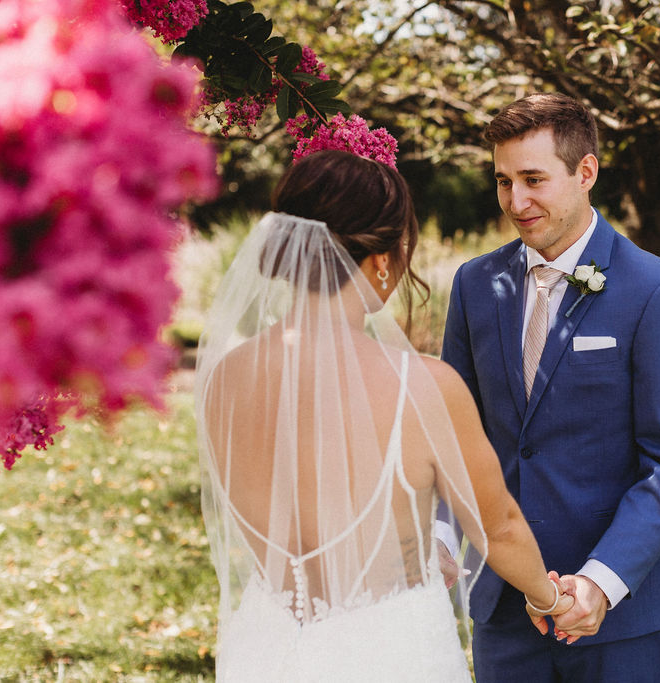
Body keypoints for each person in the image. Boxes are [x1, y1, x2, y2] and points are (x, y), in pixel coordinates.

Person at [194, 149, 572, 682]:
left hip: (267, 647)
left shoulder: (223, 379)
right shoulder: (422, 387)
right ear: (381, 261)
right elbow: (500, 528)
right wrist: (551, 598)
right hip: (388, 651)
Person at [441, 93, 660, 682]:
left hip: (623, 619)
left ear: (586, 171)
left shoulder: (658, 291)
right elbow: (452, 439)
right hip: (505, 610)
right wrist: (440, 536)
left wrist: (600, 582)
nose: (517, 200)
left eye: (534, 179)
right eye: (503, 181)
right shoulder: (474, 285)